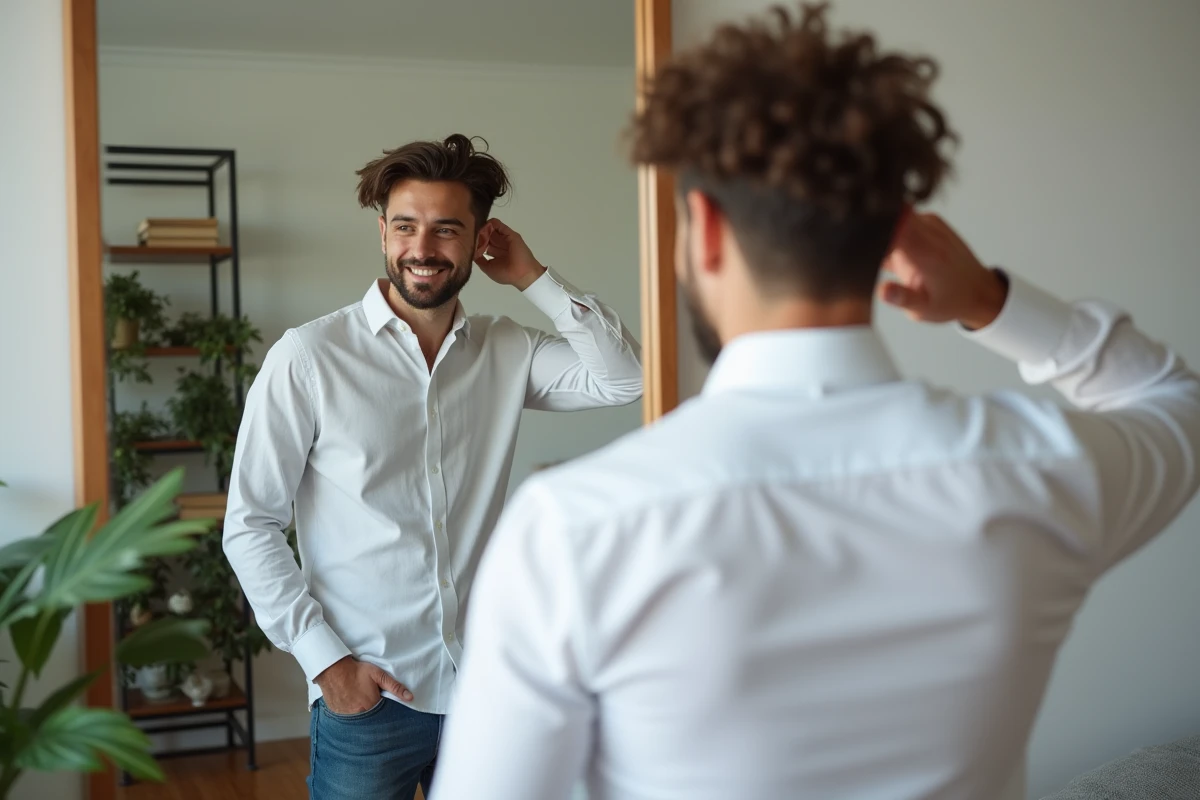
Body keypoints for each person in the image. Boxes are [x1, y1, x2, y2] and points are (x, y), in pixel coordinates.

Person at [429, 6, 1200, 800]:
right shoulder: (1040, 470)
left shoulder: (573, 530)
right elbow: (1174, 401)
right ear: (896, 231)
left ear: (705, 228)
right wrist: (987, 300)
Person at [222, 133, 643, 800]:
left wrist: (534, 277)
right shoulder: (308, 357)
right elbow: (250, 524)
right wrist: (328, 665)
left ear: (480, 238)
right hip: (367, 697)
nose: (422, 249)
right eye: (406, 226)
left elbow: (626, 379)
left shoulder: (506, 349)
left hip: (486, 691)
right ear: (382, 232)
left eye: (447, 229)